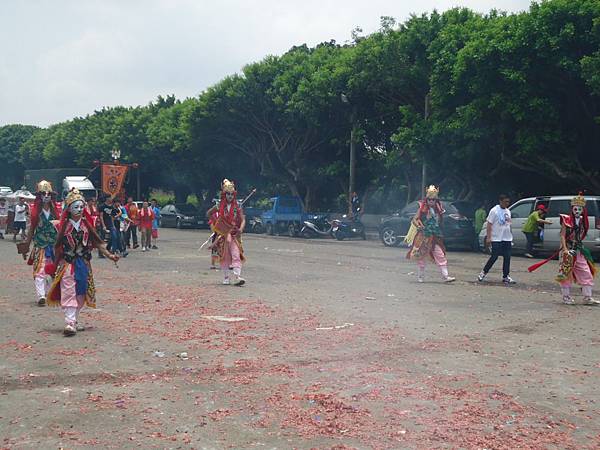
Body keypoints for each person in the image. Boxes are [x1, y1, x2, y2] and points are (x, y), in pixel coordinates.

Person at [47, 189, 119, 336]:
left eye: (81, 207)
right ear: (68, 208)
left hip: (84, 263)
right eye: (76, 207)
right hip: (67, 264)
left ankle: (74, 318)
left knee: (81, 292)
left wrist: (109, 255)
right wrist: (52, 263)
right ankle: (70, 322)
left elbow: (98, 243)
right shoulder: (60, 226)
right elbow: (55, 246)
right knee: (68, 291)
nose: (79, 210)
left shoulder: (88, 225)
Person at [405, 185, 455, 283]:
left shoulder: (439, 209)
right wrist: (419, 225)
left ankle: (445, 276)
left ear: (436, 201)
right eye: (429, 200)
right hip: (424, 236)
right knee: (421, 256)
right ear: (427, 200)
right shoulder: (422, 209)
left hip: (435, 236)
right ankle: (421, 277)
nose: (431, 201)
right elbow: (415, 219)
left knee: (440, 255)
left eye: (433, 200)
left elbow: (440, 222)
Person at [21, 181, 59, 306]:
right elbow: (32, 228)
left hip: (54, 245)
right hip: (40, 244)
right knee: (40, 270)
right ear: (39, 196)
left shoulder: (56, 210)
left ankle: (49, 293)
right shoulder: (35, 211)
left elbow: (61, 227)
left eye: (48, 193)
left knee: (54, 270)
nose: (46, 196)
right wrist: (26, 244)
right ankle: (41, 295)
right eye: (43, 193)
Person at [556, 194, 598, 305]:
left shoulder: (584, 221)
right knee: (566, 273)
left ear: (583, 210)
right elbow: (562, 235)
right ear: (572, 209)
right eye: (575, 209)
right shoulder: (567, 220)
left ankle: (587, 297)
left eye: (580, 209)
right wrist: (565, 249)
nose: (577, 211)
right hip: (568, 250)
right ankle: (566, 297)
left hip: (578, 249)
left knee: (586, 271)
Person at [209, 179, 246, 285]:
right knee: (225, 257)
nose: (230, 196)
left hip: (234, 234)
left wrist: (241, 229)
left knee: (236, 255)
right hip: (223, 235)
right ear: (224, 195)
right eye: (228, 194)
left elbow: (243, 219)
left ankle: (237, 276)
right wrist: (217, 225)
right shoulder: (219, 205)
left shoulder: (237, 206)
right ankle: (226, 277)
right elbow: (209, 214)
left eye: (232, 194)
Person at [478, 194, 516, 284]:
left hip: (506, 238)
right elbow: (489, 224)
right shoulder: (494, 211)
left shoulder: (508, 211)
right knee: (494, 256)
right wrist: (489, 237)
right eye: (505, 202)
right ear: (500, 201)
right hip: (496, 238)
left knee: (507, 257)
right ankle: (483, 272)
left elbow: (509, 224)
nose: (507, 203)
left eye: (508, 202)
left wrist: (511, 236)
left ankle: (506, 276)